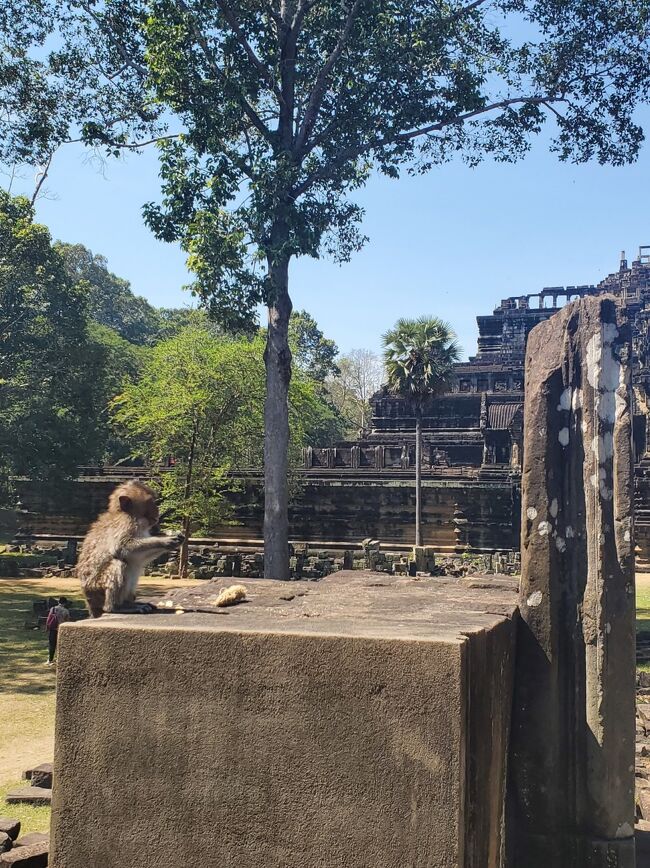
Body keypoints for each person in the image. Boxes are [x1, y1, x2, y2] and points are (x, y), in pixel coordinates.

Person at [45, 597, 71, 665]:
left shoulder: (53, 609)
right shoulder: (66, 611)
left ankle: (50, 659)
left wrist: (47, 627)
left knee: (51, 645)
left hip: (52, 629)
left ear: (58, 602)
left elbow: (49, 619)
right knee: (60, 645)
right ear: (65, 603)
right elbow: (67, 621)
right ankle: (59, 659)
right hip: (61, 630)